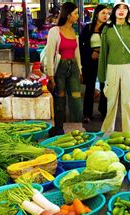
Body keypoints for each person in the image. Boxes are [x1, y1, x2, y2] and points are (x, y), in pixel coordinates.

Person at [98, 2, 130, 133]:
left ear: (128, 12)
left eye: (124, 8)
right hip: (111, 68)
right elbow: (103, 53)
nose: (121, 11)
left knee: (127, 102)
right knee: (111, 102)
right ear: (114, 11)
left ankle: (129, 133)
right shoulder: (107, 29)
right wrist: (102, 75)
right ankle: (106, 132)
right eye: (118, 8)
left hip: (129, 68)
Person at [45, 2, 83, 136]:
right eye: (75, 13)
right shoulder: (54, 31)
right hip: (60, 68)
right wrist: (50, 76)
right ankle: (59, 128)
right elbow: (50, 54)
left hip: (73, 67)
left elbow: (77, 52)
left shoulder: (74, 31)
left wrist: (80, 69)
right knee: (60, 98)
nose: (78, 16)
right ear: (68, 15)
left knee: (76, 97)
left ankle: (77, 126)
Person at [79, 4, 109, 124]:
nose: (106, 16)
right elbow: (81, 45)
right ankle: (87, 114)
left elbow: (111, 45)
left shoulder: (109, 29)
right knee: (90, 88)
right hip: (90, 61)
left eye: (107, 13)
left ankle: (104, 111)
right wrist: (91, 52)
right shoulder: (88, 28)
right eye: (103, 13)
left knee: (104, 87)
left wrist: (100, 52)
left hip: (104, 61)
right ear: (96, 14)